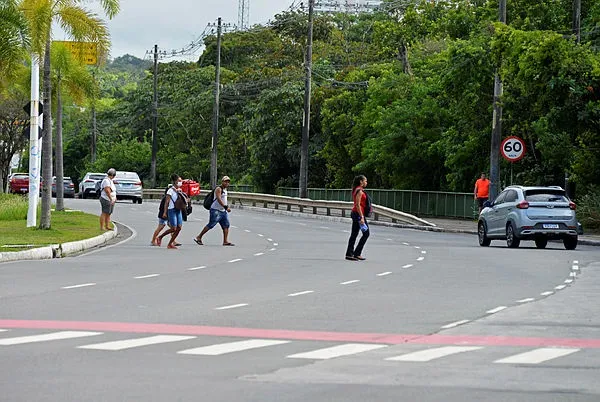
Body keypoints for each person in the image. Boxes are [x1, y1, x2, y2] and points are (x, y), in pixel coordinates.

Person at [194, 175, 234, 246]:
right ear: (222, 182)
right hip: (216, 210)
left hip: (222, 211)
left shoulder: (225, 190)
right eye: (225, 182)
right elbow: (219, 199)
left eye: (228, 182)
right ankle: (199, 237)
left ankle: (225, 241)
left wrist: (224, 208)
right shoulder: (218, 188)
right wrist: (225, 207)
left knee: (226, 225)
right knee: (211, 224)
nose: (227, 183)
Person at [345, 175, 370, 261]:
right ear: (361, 181)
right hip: (358, 214)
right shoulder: (359, 191)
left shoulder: (358, 189)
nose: (366, 183)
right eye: (365, 181)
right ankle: (353, 253)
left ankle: (353, 253)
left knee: (355, 234)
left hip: (357, 214)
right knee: (365, 234)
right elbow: (357, 204)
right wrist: (361, 217)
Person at [157, 174, 184, 249]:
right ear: (175, 182)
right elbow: (167, 202)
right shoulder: (170, 190)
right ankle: (160, 237)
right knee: (173, 228)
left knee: (179, 227)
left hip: (178, 210)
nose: (180, 182)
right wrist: (165, 212)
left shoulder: (180, 190)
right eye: (179, 181)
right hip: (171, 210)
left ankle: (170, 243)